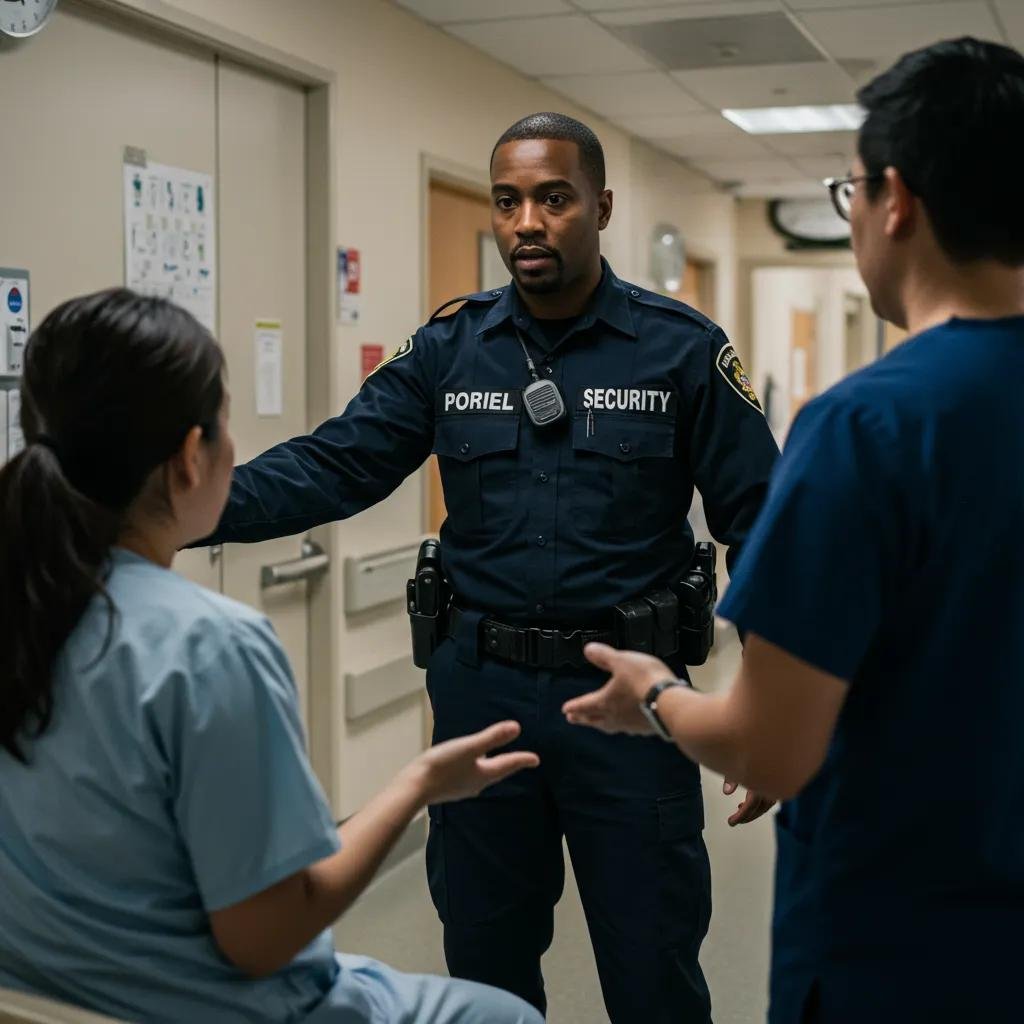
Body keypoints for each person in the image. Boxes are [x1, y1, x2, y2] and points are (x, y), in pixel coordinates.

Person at [202, 112, 780, 1023]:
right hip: (483, 699)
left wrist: (766, 717)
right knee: (483, 963)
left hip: (629, 704)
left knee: (654, 963)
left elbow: (763, 524)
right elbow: (333, 464)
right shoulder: (448, 349)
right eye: (508, 202)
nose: (527, 223)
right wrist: (176, 504)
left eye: (553, 199)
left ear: (600, 205)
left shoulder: (681, 349)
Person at [561, 37, 1024, 1024]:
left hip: (906, 950)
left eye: (846, 189)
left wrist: (654, 693)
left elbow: (765, 750)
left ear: (893, 199)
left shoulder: (870, 426)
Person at [0, 289, 543, 1024]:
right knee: (504, 1015)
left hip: (42, 1001)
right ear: (193, 457)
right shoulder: (207, 646)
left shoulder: (28, 604)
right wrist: (417, 784)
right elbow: (265, 940)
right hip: (221, 1008)